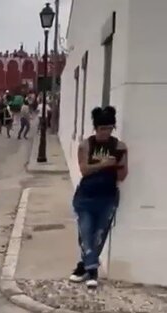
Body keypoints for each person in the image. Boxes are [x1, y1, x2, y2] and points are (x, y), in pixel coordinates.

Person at [69, 106, 128, 289]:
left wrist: (119, 164)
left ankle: (83, 267)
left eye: (109, 128)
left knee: (98, 236)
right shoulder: (86, 145)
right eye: (102, 128)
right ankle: (92, 271)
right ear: (96, 128)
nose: (105, 132)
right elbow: (84, 169)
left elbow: (122, 176)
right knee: (85, 234)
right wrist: (104, 163)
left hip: (108, 197)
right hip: (85, 197)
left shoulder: (119, 146)